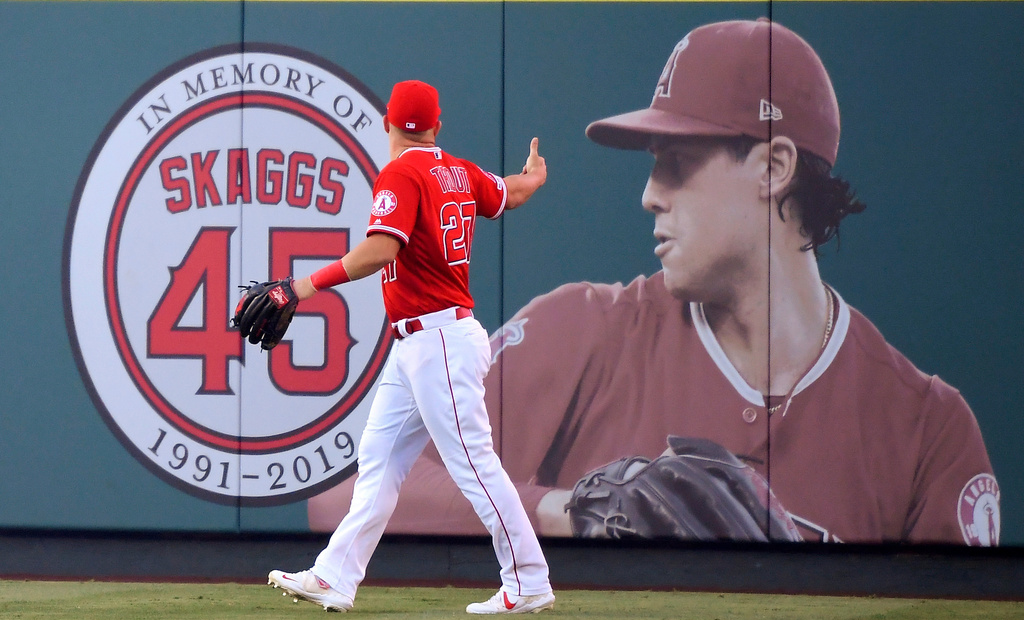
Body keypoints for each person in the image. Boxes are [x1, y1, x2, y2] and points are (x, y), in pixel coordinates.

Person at [307, 20, 1000, 546]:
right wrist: (570, 510)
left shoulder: (927, 431)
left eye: (675, 162)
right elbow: (344, 499)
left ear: (772, 166)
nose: (648, 195)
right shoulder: (583, 330)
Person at [268, 80, 556, 614]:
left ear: (388, 124)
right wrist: (534, 175)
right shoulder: (459, 170)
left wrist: (303, 286)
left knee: (473, 463)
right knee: (378, 459)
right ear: (436, 126)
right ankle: (335, 575)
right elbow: (510, 192)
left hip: (438, 341)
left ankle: (529, 578)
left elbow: (381, 249)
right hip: (420, 343)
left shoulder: (402, 171)